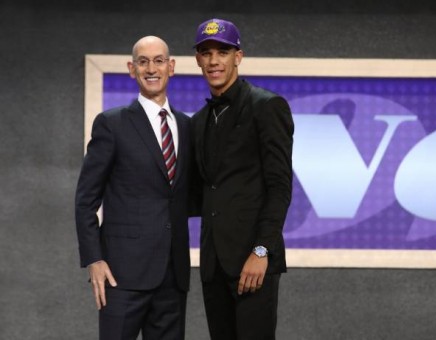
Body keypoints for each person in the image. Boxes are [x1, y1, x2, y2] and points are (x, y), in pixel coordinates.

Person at [75, 36, 191, 340]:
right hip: (121, 275)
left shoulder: (187, 126)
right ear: (131, 68)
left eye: (158, 60)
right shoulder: (111, 124)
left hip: (173, 275)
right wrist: (94, 259)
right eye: (143, 61)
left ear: (171, 67)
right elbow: (86, 199)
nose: (151, 68)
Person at [191, 18, 294, 340]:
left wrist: (262, 251)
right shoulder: (200, 120)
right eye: (206, 53)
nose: (213, 61)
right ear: (198, 60)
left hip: (254, 262)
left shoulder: (267, 106)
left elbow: (279, 187)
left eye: (222, 51)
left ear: (238, 56)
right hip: (213, 264)